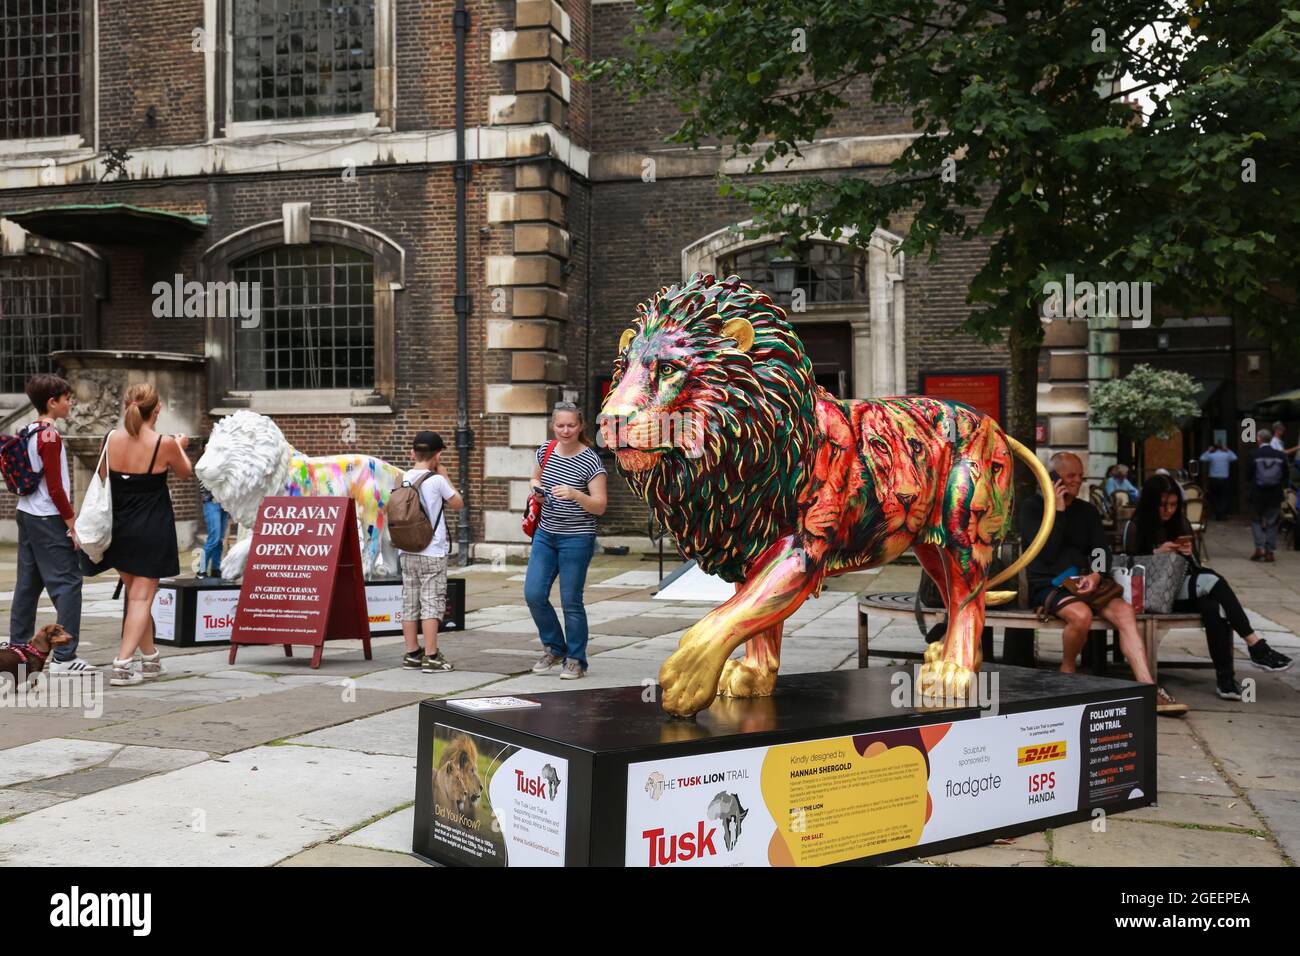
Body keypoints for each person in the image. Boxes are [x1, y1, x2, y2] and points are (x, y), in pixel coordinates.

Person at [1018, 451, 1185, 715]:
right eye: (1070, 476)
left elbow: (1101, 549)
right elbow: (1046, 555)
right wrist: (1058, 512)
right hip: (1049, 583)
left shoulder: (1086, 510)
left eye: (1080, 476)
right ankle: (1068, 670)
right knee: (1081, 616)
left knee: (1125, 613)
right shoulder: (1032, 509)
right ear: (1054, 478)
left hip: (1087, 581)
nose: (1076, 481)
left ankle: (1147, 687)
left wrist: (1096, 574)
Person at [1123, 474, 1292, 699]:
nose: (1169, 510)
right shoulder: (1135, 526)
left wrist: (1186, 554)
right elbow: (1127, 567)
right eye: (1163, 505)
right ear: (1151, 503)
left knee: (1214, 607)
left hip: (1182, 588)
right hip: (1153, 595)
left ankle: (1226, 681)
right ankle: (1255, 644)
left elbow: (1193, 566)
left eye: (1173, 505)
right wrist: (1156, 553)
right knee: (1212, 580)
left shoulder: (1180, 522)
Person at [83, 383, 192, 686]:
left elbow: (104, 476)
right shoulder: (164, 443)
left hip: (119, 529)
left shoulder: (110, 439)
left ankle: (152, 659)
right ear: (156, 409)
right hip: (152, 528)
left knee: (136, 597)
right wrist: (179, 445)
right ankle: (122, 664)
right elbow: (186, 472)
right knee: (142, 599)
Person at [7, 375, 93, 673]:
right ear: (51, 402)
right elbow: (56, 488)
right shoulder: (50, 436)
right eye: (66, 398)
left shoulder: (28, 430)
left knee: (27, 585)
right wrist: (72, 524)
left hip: (26, 513)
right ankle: (64, 656)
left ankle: (18, 651)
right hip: (47, 517)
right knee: (68, 583)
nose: (70, 402)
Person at [525, 402, 607, 680]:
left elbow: (599, 505)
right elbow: (534, 477)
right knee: (533, 594)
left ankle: (576, 659)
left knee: (571, 600)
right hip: (546, 534)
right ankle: (554, 646)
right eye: (560, 425)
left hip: (577, 537)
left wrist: (575, 494)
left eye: (571, 425)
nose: (565, 430)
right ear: (553, 425)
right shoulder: (545, 450)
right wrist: (536, 490)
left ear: (581, 426)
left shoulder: (590, 460)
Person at [398, 431, 463, 673]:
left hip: (407, 551)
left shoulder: (404, 478)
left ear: (412, 453)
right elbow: (457, 503)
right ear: (438, 455)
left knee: (409, 603)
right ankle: (432, 656)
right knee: (431, 605)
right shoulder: (436, 481)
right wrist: (445, 477)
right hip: (432, 552)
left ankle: (412, 653)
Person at [1246, 429, 1288, 562]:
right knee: (1271, 523)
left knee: (1255, 521)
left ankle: (1259, 548)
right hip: (1275, 494)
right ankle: (1270, 552)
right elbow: (1285, 476)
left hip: (1257, 494)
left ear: (1259, 439)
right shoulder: (1280, 455)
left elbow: (1248, 475)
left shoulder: (1253, 454)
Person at [1199, 442, 1238, 520]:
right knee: (1224, 497)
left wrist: (1208, 451)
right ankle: (1222, 514)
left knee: (1215, 497)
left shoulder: (1212, 455)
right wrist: (1228, 450)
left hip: (1214, 479)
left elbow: (1202, 458)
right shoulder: (1226, 455)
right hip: (1224, 479)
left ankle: (1217, 514)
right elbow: (1235, 457)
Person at [199, 484, 229, 578]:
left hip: (225, 502)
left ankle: (215, 569)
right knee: (214, 538)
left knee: (220, 538)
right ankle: (201, 569)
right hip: (211, 501)